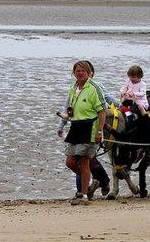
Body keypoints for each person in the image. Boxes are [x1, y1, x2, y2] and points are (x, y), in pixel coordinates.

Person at [57, 61, 111, 199]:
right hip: (75, 127)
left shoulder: (94, 88)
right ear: (73, 73)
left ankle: (84, 195)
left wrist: (99, 131)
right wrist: (62, 122)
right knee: (70, 162)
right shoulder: (73, 88)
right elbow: (70, 110)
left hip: (90, 128)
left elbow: (102, 111)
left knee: (84, 162)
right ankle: (91, 182)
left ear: (89, 72)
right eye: (77, 71)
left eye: (83, 71)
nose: (80, 73)